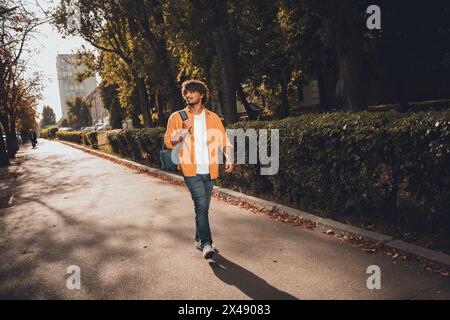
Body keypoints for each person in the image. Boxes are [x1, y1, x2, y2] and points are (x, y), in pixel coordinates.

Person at [164, 80, 234, 259]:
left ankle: (198, 237)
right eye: (186, 92)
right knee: (201, 205)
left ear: (201, 95)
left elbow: (224, 140)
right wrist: (182, 131)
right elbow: (168, 142)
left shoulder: (213, 118)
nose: (188, 95)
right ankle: (206, 244)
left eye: (193, 92)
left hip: (210, 169)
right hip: (190, 169)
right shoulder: (177, 117)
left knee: (203, 208)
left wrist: (229, 157)